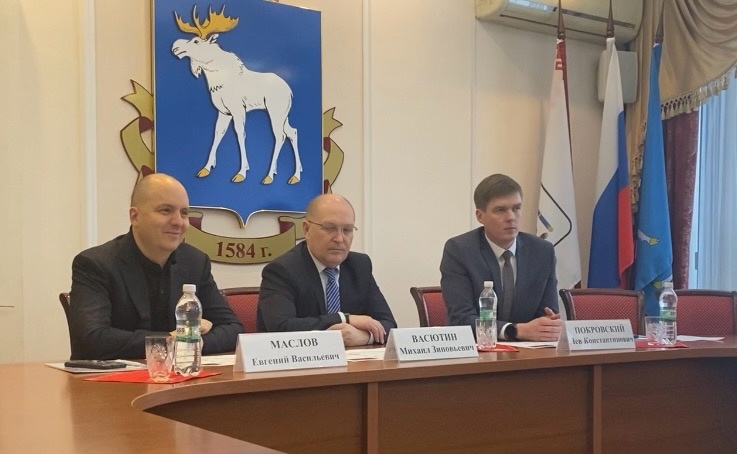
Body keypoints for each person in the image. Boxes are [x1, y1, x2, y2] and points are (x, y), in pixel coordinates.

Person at [69, 173, 243, 359]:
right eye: (165, 210)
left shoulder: (196, 262)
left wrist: (191, 343)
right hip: (114, 377)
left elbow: (233, 330)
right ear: (135, 216)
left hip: (181, 374)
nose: (178, 222)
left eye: (184, 213)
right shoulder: (95, 264)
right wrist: (169, 340)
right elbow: (91, 339)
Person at [257, 194, 397, 346]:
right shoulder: (282, 270)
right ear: (307, 230)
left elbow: (389, 324)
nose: (339, 239)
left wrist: (365, 337)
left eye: (347, 230)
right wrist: (344, 318)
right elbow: (281, 328)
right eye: (330, 228)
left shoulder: (359, 265)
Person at [440, 174, 561, 342]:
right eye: (500, 210)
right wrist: (514, 331)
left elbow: (548, 313)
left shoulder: (542, 251)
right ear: (480, 216)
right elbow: (461, 319)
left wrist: (548, 326)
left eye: (516, 208)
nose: (511, 217)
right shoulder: (460, 250)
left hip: (530, 350)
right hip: (477, 350)